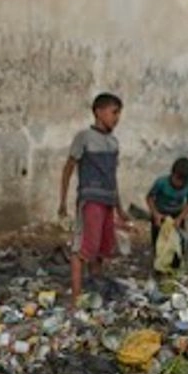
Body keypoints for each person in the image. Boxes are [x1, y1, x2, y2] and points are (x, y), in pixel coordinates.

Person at [58, 92, 128, 305]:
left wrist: (120, 208)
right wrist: (62, 202)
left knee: (101, 250)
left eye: (119, 114)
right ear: (99, 112)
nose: (116, 118)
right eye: (113, 112)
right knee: (83, 250)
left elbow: (112, 177)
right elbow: (68, 168)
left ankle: (94, 293)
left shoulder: (113, 143)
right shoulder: (84, 138)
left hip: (107, 201)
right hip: (90, 200)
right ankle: (76, 300)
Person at [146, 156, 188, 261]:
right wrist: (155, 214)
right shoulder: (161, 183)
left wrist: (180, 218)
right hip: (160, 213)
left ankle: (175, 264)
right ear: (172, 174)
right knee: (159, 241)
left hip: (176, 214)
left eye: (182, 182)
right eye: (177, 179)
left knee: (178, 242)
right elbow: (150, 198)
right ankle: (159, 264)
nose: (179, 184)